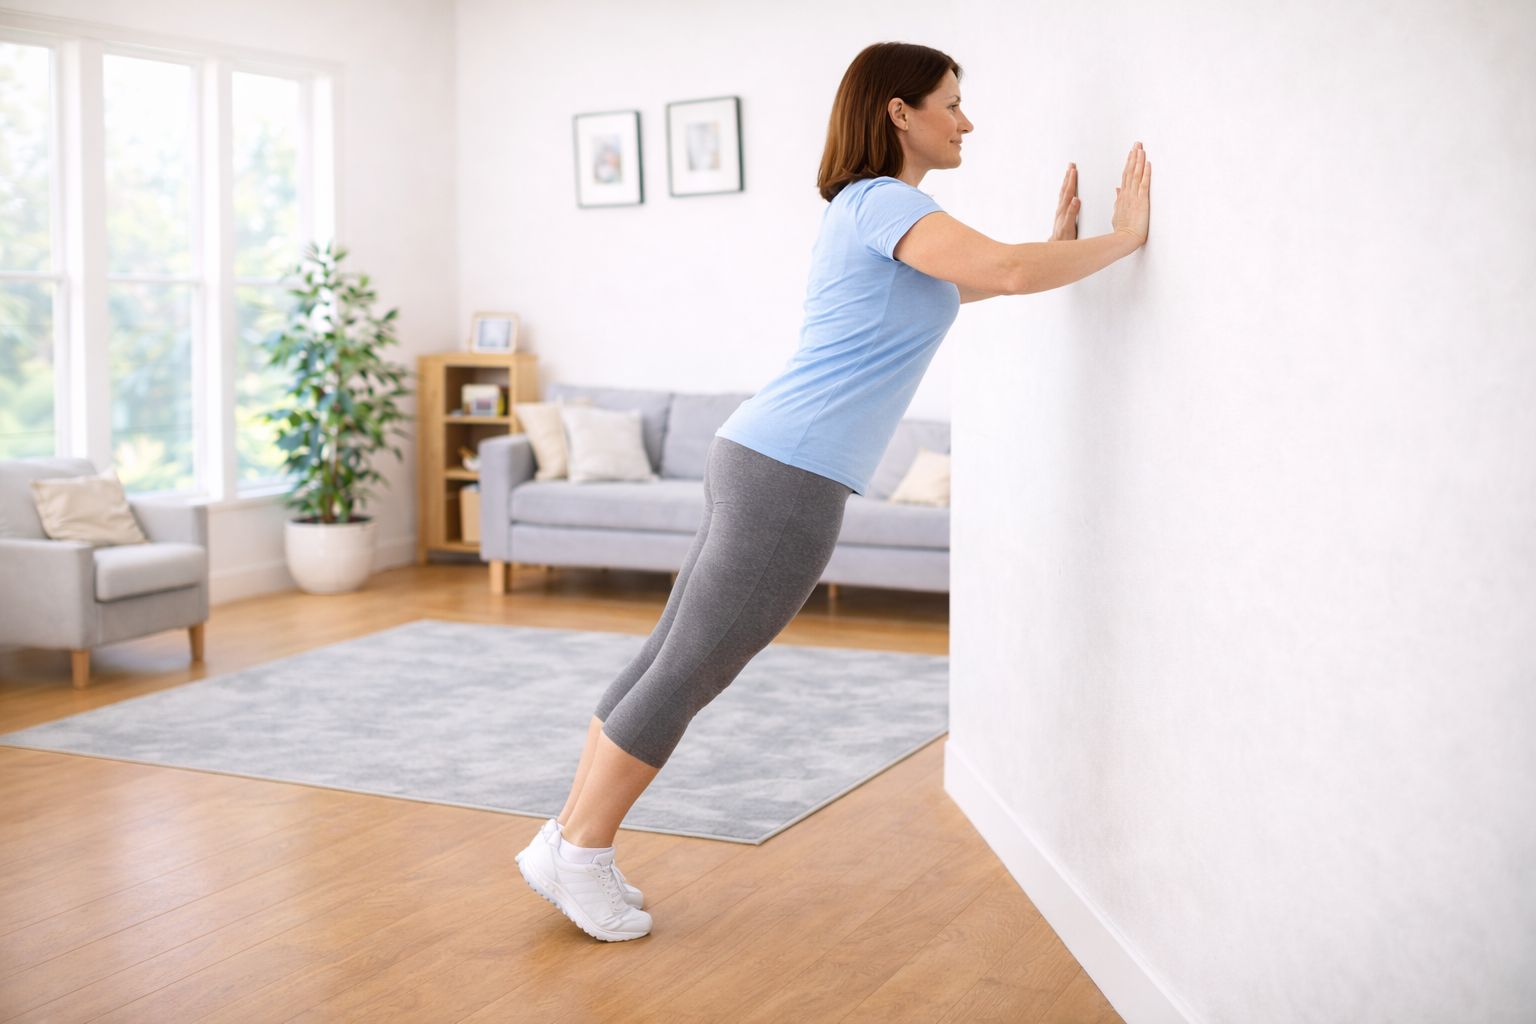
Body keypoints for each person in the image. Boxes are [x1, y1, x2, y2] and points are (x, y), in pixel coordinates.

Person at [516, 40, 1152, 942]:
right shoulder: (889, 202)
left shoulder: (867, 211)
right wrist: (1121, 241)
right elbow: (1003, 270)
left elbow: (974, 286)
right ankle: (582, 852)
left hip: (764, 452)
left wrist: (1053, 254)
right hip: (790, 473)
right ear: (901, 112)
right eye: (951, 103)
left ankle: (564, 842)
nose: (966, 121)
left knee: (673, 653)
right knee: (693, 665)